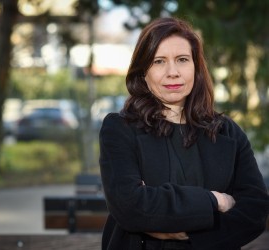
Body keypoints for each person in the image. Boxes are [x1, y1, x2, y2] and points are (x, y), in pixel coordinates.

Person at [99, 17, 269, 250]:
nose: (173, 72)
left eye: (182, 60)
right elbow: (131, 207)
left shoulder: (226, 132)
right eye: (159, 61)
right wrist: (214, 200)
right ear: (143, 72)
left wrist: (188, 235)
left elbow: (255, 211)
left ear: (196, 67)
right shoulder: (120, 129)